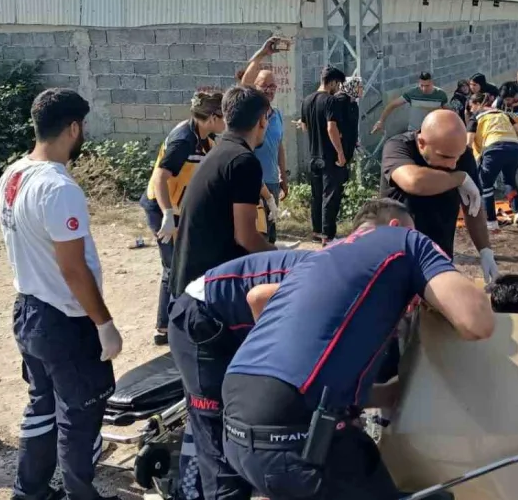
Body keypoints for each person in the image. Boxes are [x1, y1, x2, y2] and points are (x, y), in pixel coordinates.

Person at [220, 198, 495, 500]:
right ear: (394, 226)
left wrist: (386, 393)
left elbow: (262, 302)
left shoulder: (322, 256)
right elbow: (476, 322)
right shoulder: (405, 240)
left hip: (238, 426)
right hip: (296, 438)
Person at [0, 89, 123, 500]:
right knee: (81, 412)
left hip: (28, 310)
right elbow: (73, 268)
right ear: (73, 127)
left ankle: (29, 490)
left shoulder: (13, 175)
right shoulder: (58, 188)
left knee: (42, 406)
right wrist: (104, 324)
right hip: (64, 321)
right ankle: (79, 494)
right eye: (82, 127)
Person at [170, 244, 314, 500]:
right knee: (220, 433)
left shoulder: (350, 269)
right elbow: (258, 298)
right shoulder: (339, 283)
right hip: (201, 317)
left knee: (243, 423)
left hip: (232, 318)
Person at [170, 85, 275, 298]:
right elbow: (246, 237)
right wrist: (281, 254)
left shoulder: (220, 150)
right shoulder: (243, 161)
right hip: (205, 294)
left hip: (189, 286)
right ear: (262, 121)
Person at [141, 92, 224, 346]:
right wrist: (167, 214)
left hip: (178, 207)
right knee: (174, 266)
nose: (226, 124)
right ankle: (165, 327)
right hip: (161, 207)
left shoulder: (205, 138)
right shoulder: (184, 139)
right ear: (211, 118)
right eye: (223, 118)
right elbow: (160, 177)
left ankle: (170, 322)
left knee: (182, 262)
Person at [379, 110, 499, 283]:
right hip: (396, 253)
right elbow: (414, 182)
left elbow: (472, 205)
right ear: (421, 143)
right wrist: (459, 178)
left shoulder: (461, 155)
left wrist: (485, 251)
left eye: (457, 157)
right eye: (445, 157)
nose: (452, 164)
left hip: (438, 254)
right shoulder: (398, 147)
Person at [240, 38, 291, 245]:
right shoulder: (251, 113)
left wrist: (283, 177)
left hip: (271, 180)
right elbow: (244, 83)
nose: (270, 90)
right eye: (264, 86)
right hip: (253, 181)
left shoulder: (276, 115)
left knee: (271, 229)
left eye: (273, 86)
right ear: (256, 87)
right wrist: (262, 54)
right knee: (255, 231)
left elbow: (279, 146)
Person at [466, 93, 518, 230]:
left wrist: (466, 163)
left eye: (471, 106)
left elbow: (469, 143)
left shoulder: (476, 116)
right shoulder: (503, 114)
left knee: (486, 184)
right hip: (514, 149)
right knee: (509, 181)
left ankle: (491, 222)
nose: (471, 110)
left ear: (477, 104)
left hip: (494, 149)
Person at [300, 67, 348, 244]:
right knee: (330, 195)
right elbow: (331, 127)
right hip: (329, 156)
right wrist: (340, 152)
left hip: (313, 155)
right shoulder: (330, 101)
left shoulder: (307, 100)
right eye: (338, 84)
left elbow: (304, 127)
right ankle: (328, 235)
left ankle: (316, 231)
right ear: (333, 82)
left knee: (316, 195)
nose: (338, 88)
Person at [372, 71, 449, 134]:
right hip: (414, 133)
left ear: (432, 82)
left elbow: (449, 112)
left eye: (427, 86)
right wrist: (380, 121)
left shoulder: (440, 95)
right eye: (421, 85)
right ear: (419, 82)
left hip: (433, 133)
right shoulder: (412, 93)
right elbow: (392, 105)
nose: (424, 89)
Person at [337, 76, 363, 166]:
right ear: (351, 86)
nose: (361, 90)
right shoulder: (340, 101)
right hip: (339, 147)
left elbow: (353, 125)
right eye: (359, 87)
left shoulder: (353, 103)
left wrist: (355, 141)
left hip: (348, 145)